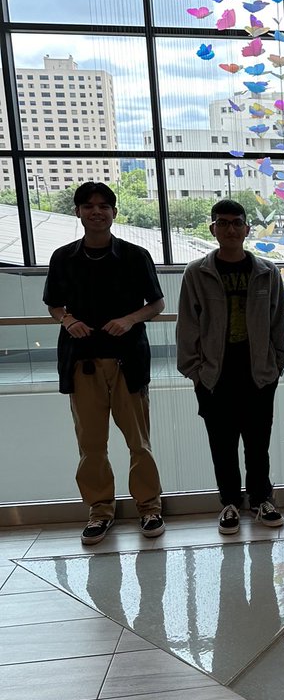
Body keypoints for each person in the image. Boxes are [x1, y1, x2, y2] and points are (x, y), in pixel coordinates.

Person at [43, 181, 165, 545]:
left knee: (139, 442)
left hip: (128, 360)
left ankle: (150, 508)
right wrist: (68, 320)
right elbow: (53, 304)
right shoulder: (63, 257)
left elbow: (156, 304)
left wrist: (129, 319)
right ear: (78, 212)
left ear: (114, 212)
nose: (96, 211)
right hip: (82, 362)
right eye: (88, 206)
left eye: (103, 206)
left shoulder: (134, 255)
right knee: (91, 445)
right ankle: (99, 512)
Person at [176, 199, 284, 536]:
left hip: (258, 371)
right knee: (222, 443)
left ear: (246, 229)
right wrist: (195, 370)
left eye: (236, 222)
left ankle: (261, 500)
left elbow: (277, 321)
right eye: (222, 223)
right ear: (212, 229)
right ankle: (229, 503)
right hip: (214, 374)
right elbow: (187, 324)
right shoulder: (197, 272)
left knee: (258, 443)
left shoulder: (267, 272)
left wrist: (277, 362)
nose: (230, 229)